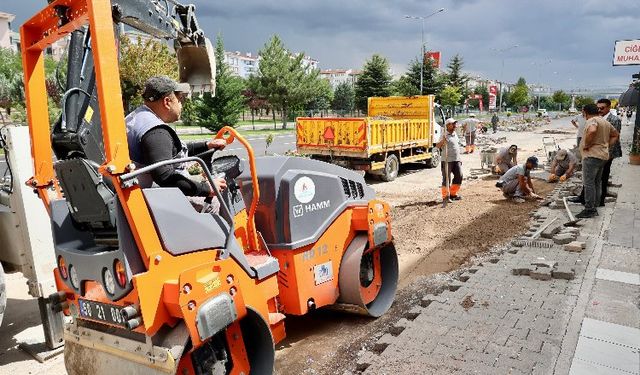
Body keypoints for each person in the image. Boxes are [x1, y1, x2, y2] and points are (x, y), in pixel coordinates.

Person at [125, 75, 227, 210]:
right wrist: (206, 188)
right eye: (180, 100)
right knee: (213, 202)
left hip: (141, 191)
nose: (181, 105)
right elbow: (165, 176)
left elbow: (171, 152)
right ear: (167, 102)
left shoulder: (139, 117)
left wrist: (207, 145)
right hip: (152, 197)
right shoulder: (156, 132)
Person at [571, 103, 619, 218]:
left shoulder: (592, 121)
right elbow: (616, 135)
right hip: (602, 156)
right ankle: (595, 205)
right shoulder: (605, 122)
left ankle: (590, 209)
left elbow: (592, 130)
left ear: (585, 112)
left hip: (592, 156)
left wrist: (587, 144)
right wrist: (606, 145)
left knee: (589, 183)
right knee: (597, 182)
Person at [596, 99, 622, 206]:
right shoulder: (598, 118)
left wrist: (607, 155)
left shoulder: (614, 120)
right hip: (598, 151)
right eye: (598, 108)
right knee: (594, 175)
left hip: (608, 153)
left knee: (604, 175)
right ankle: (586, 197)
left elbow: (615, 138)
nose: (599, 110)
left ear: (608, 108)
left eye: (602, 108)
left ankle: (601, 200)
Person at [435, 118, 463, 202]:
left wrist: (459, 159)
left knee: (459, 176)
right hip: (447, 160)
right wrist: (443, 140)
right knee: (447, 179)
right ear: (447, 125)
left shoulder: (455, 134)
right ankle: (446, 196)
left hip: (456, 159)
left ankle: (453, 194)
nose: (455, 125)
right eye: (453, 124)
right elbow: (438, 146)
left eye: (455, 124)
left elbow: (457, 146)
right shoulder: (444, 134)